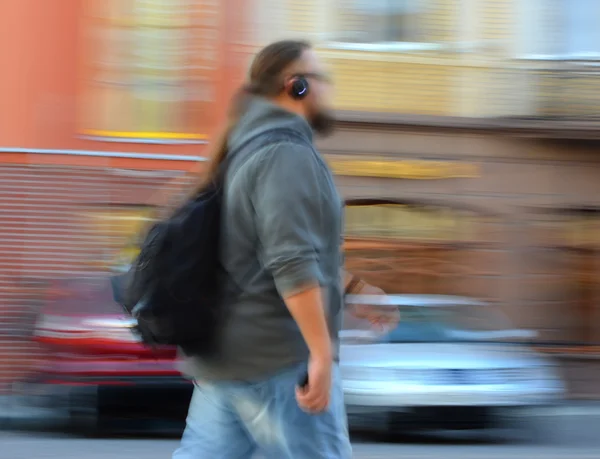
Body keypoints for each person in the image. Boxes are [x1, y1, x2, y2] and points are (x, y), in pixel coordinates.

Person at [172, 39, 399, 459]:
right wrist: (320, 353)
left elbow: (268, 249)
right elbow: (289, 260)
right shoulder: (284, 153)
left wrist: (352, 290)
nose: (327, 90)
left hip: (228, 358)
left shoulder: (243, 149)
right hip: (277, 358)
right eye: (320, 80)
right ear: (295, 86)